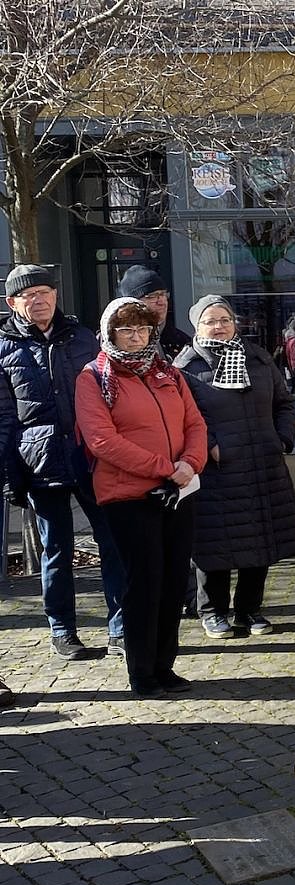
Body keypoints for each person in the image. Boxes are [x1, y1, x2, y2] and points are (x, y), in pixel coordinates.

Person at [74, 298, 208, 696]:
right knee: (144, 582)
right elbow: (102, 440)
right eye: (126, 330)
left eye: (143, 329)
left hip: (178, 490)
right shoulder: (94, 377)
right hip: (129, 495)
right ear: (109, 334)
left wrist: (190, 463)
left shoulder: (168, 373)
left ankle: (165, 667)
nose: (136, 337)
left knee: (173, 580)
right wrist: (165, 468)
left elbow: (195, 424)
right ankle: (142, 673)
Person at [0, 264, 125, 660]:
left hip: (90, 456)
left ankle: (121, 629)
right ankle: (63, 631)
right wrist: (10, 475)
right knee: (56, 549)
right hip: (40, 462)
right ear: (13, 303)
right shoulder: (4, 347)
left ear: (56, 295)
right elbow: (4, 417)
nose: (39, 300)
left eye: (45, 292)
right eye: (29, 295)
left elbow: (109, 396)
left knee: (112, 542)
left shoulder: (83, 337)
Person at [175, 295, 295, 639]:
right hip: (216, 471)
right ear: (197, 326)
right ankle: (213, 611)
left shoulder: (258, 358)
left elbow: (283, 402)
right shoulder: (186, 367)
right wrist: (210, 446)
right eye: (210, 321)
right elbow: (182, 417)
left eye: (225, 320)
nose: (219, 327)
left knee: (259, 540)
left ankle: (249, 609)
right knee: (215, 543)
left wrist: (281, 439)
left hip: (262, 464)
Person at [116, 265, 192, 361]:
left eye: (163, 294)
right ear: (133, 303)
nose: (161, 302)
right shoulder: (116, 341)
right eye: (152, 296)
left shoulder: (181, 341)